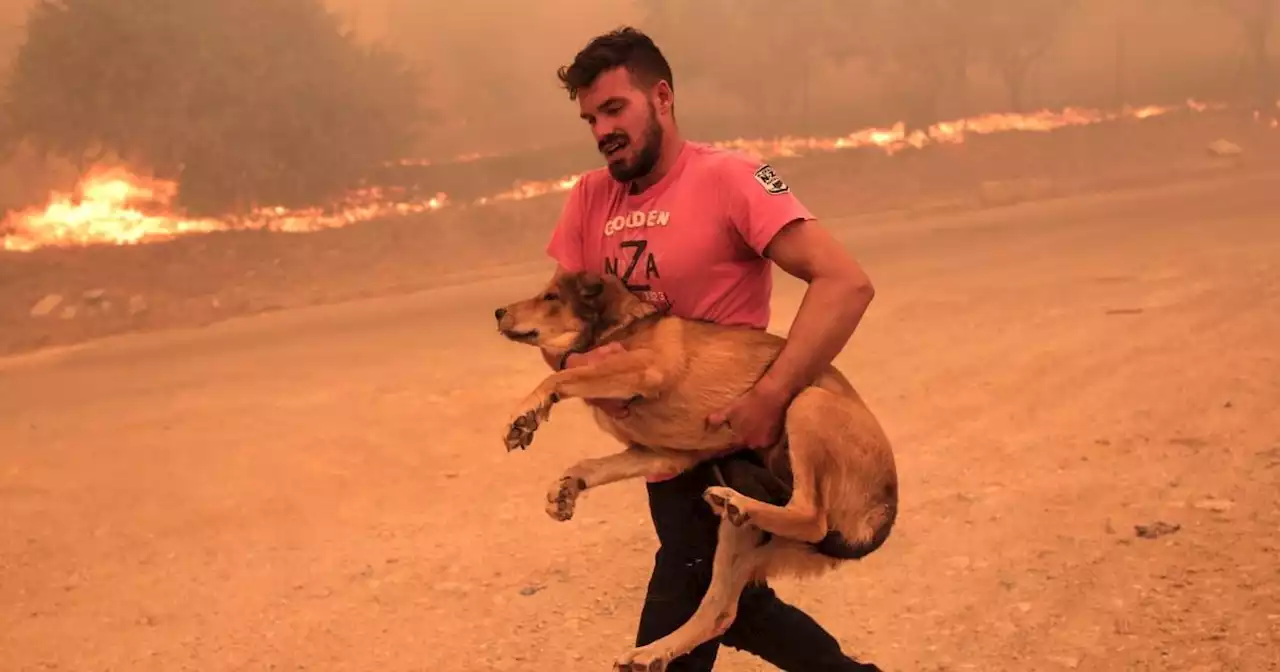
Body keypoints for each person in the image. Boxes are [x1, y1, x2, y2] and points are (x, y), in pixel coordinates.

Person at [539, 27, 882, 671]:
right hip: (659, 457)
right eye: (590, 118)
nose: (601, 130)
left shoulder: (738, 178)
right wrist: (578, 368)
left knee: (676, 625)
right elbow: (557, 327)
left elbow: (846, 283)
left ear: (661, 97)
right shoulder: (589, 197)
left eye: (615, 109)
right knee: (739, 609)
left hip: (730, 450)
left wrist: (771, 395)